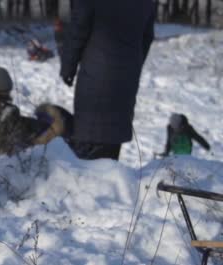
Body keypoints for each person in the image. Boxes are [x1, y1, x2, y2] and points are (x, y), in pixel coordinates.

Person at [60, 0, 156, 160]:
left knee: (88, 146)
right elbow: (147, 38)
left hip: (94, 80)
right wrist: (132, 67)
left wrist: (68, 67)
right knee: (111, 146)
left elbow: (77, 31)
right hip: (125, 81)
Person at [0, 67, 72, 157]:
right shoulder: (9, 111)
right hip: (6, 158)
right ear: (8, 86)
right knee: (53, 129)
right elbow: (21, 133)